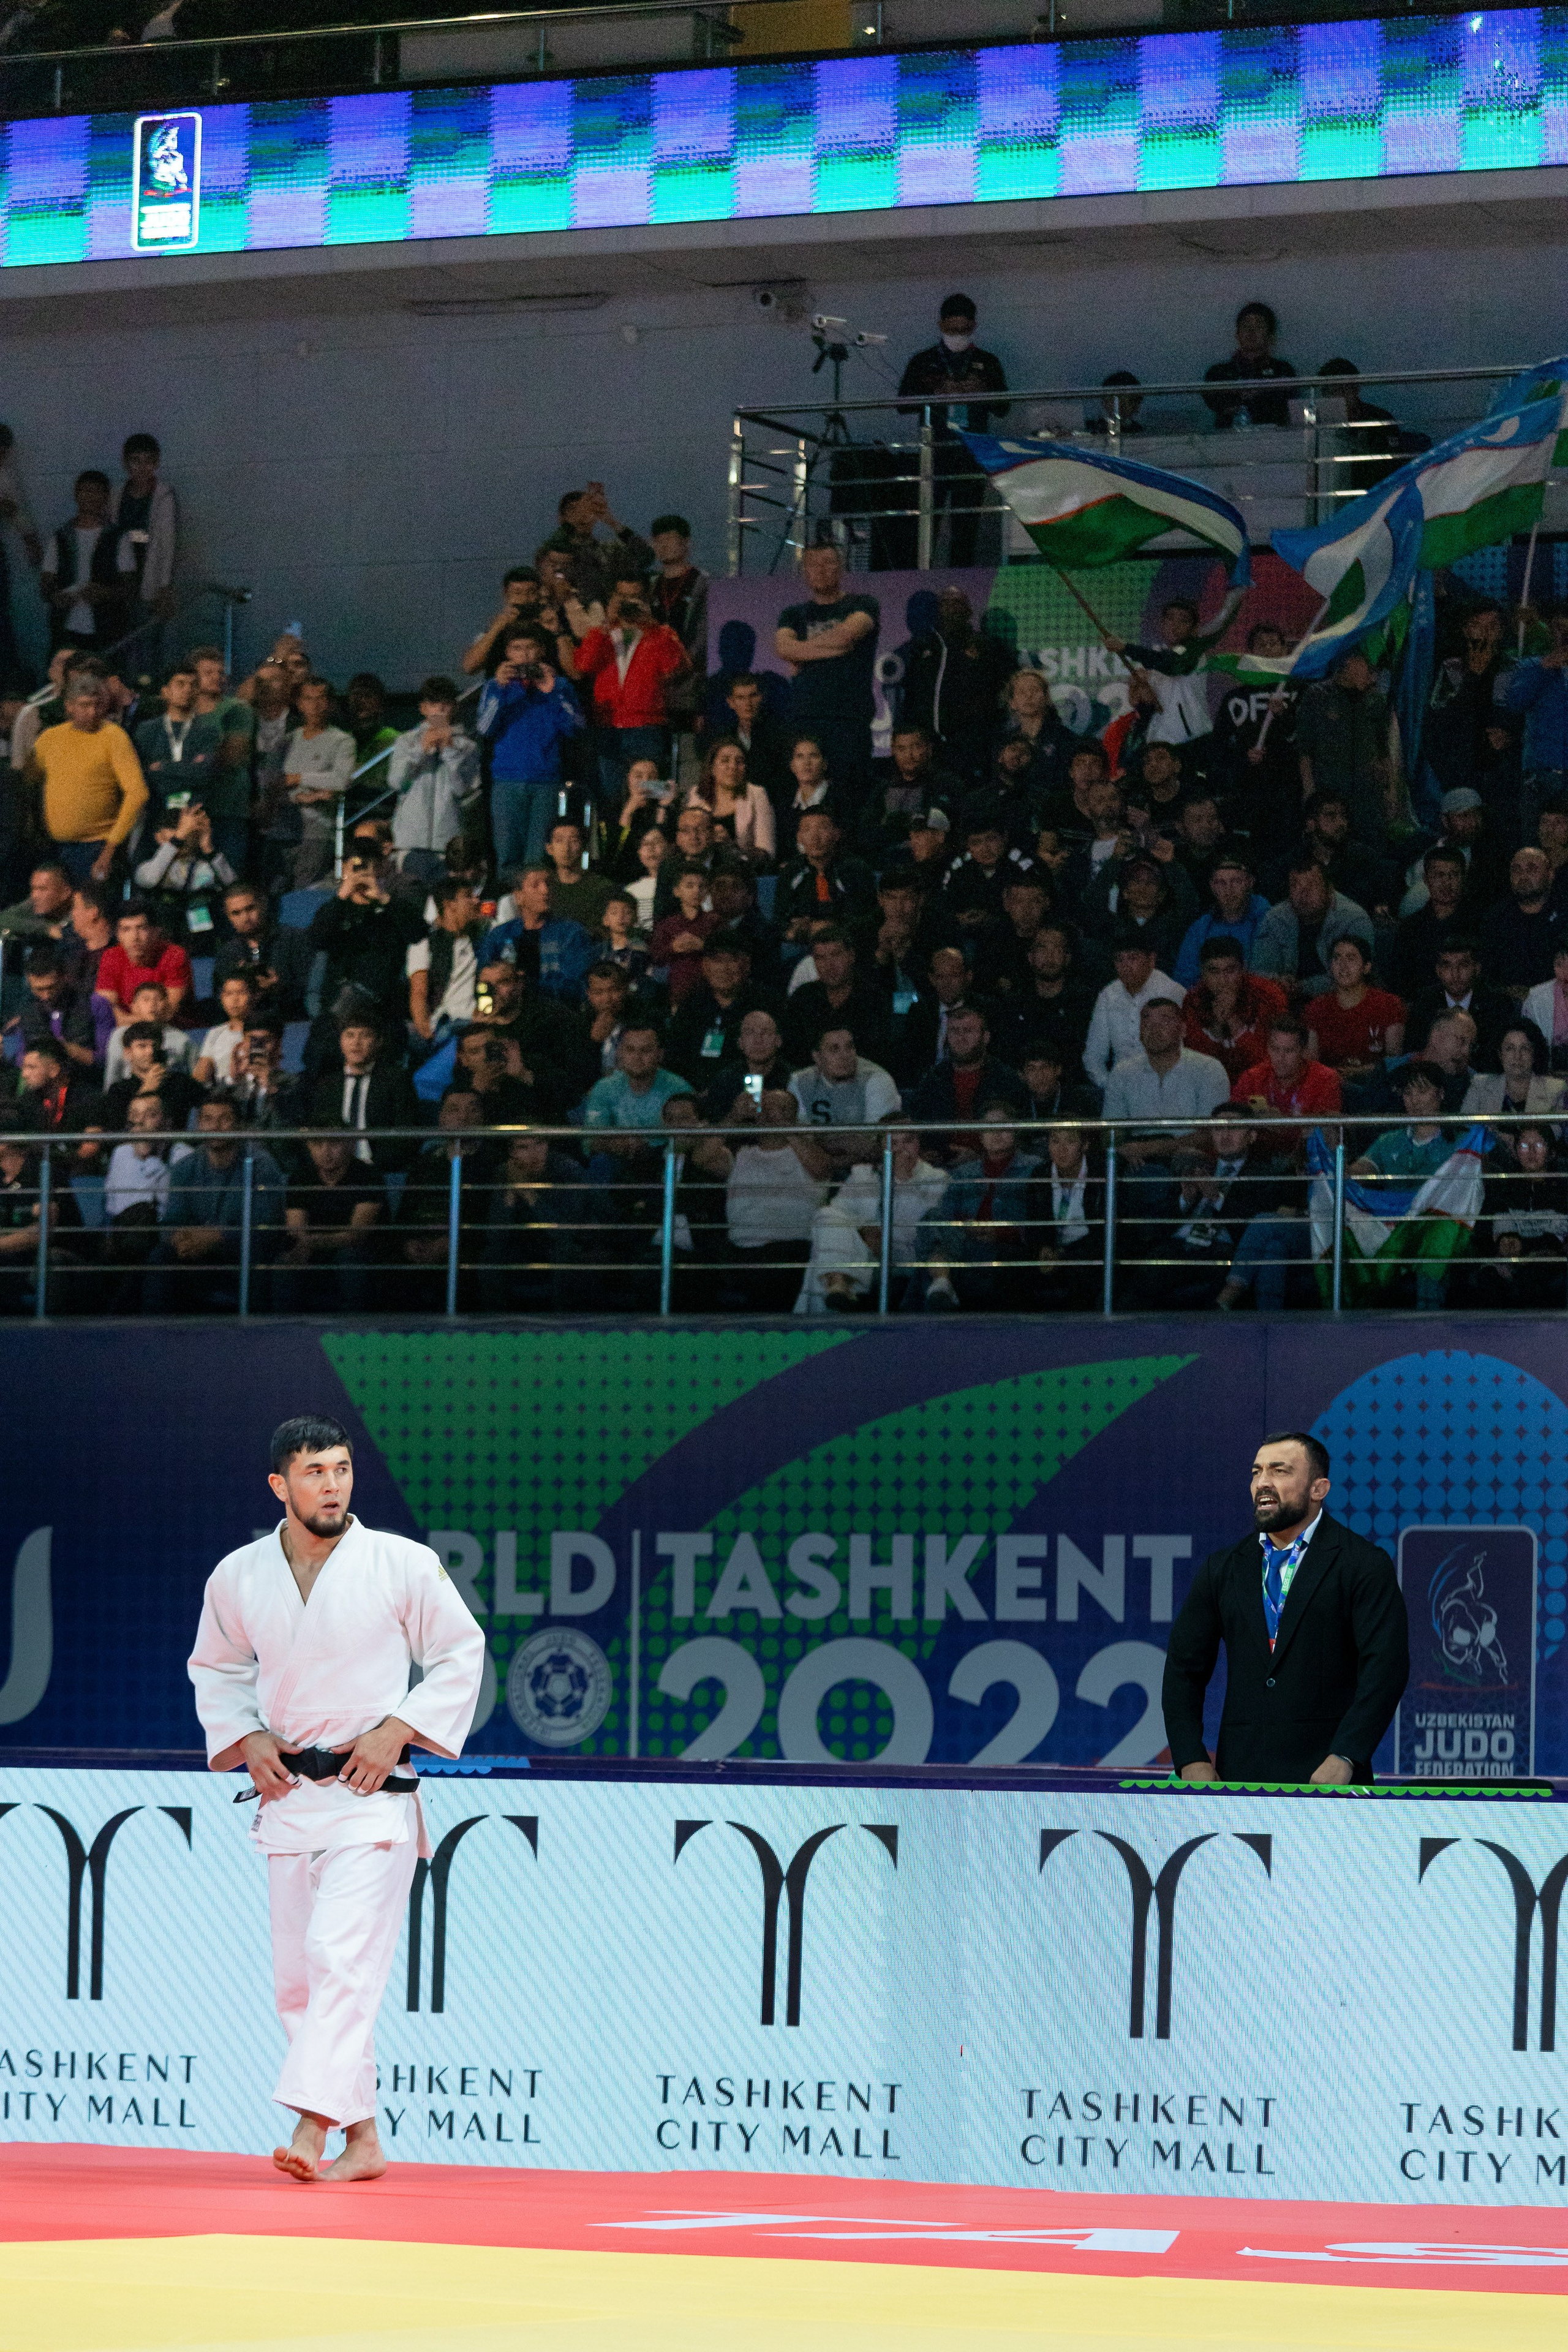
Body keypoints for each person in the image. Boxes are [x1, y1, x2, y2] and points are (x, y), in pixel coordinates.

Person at [187, 1415, 485, 2182]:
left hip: (372, 1796)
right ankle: (366, 2141)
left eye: (343, 1469)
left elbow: (460, 1652)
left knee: (340, 1961)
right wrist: (246, 1738)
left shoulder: (402, 1564)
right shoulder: (239, 1575)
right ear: (280, 1486)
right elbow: (216, 1670)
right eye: (315, 1472)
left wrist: (400, 1728)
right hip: (289, 1797)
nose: (333, 1484)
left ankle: (311, 2126)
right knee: (301, 1983)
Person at [1161, 1431, 1408, 1784]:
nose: (1263, 1483)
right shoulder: (1223, 1568)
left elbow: (1386, 1670)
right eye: (1256, 1472)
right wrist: (1190, 1759)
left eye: (1280, 1471)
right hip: (1239, 1779)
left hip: (1329, 1781)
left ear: (1318, 1489)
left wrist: (1347, 1755)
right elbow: (1183, 1670)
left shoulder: (1363, 1564)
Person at [895, 295, 1011, 564]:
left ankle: (962, 581)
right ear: (940, 325)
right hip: (934, 452)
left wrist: (981, 391)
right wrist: (934, 392)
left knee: (966, 527)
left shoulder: (987, 362)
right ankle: (922, 576)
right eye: (951, 329)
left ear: (973, 327)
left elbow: (1004, 407)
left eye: (963, 330)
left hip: (972, 453)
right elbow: (902, 404)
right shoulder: (923, 361)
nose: (957, 335)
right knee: (927, 522)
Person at [142, 1097, 286, 1310]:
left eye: (224, 1119)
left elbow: (266, 1227)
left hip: (242, 1256)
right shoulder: (185, 1167)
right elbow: (173, 1218)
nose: (215, 1126)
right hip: (196, 1257)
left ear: (238, 1124)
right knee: (161, 1256)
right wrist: (180, 1239)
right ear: (199, 1125)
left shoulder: (262, 1165)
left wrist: (217, 1236)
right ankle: (155, 1335)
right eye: (208, 1119)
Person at [796, 1120, 946, 1314]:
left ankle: (832, 1297)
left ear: (918, 1144)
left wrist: (903, 1180)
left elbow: (927, 1227)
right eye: (894, 1143)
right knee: (827, 1215)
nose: (901, 1149)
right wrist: (865, 1231)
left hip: (907, 1254)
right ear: (882, 1147)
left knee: (823, 1259)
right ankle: (838, 1283)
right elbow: (839, 1212)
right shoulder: (863, 1174)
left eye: (908, 1141)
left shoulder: (937, 1178)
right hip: (865, 1251)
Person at [910, 1102, 1042, 1312]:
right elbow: (947, 1212)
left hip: (1004, 1246)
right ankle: (942, 1284)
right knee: (932, 1217)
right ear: (980, 1135)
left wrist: (998, 1231)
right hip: (964, 1240)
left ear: (1016, 1131)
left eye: (1004, 1126)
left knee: (929, 1265)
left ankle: (940, 1285)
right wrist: (966, 1226)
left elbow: (1039, 1218)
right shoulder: (963, 1172)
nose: (996, 1133)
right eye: (989, 1127)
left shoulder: (1035, 1168)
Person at [774, 544, 879, 804]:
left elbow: (846, 636)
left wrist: (800, 652)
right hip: (805, 717)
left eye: (828, 562)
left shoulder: (863, 603)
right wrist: (831, 649)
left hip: (849, 719)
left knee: (850, 796)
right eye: (813, 564)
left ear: (841, 568)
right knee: (807, 796)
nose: (821, 570)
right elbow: (782, 647)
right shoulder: (794, 614)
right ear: (804, 572)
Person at [573, 572, 690, 804]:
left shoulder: (661, 633)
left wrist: (653, 627)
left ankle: (651, 838)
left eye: (634, 597)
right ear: (613, 598)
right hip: (607, 725)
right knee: (611, 795)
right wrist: (604, 627)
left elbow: (675, 668)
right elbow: (583, 665)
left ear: (646, 600)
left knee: (652, 794)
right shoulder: (600, 633)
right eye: (622, 597)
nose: (628, 603)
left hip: (647, 727)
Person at [477, 625, 584, 872]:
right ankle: (509, 907)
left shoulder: (560, 685)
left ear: (542, 651)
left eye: (530, 648)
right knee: (507, 855)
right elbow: (484, 729)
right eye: (517, 648)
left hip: (546, 781)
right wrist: (502, 691)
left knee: (538, 858)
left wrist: (553, 690)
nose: (524, 655)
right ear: (507, 654)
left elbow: (575, 727)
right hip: (506, 780)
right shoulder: (495, 686)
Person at [28, 671, 148, 884]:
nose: (92, 712)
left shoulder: (113, 736)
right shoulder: (50, 738)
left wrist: (111, 846)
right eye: (84, 705)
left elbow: (137, 793)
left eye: (96, 705)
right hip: (53, 845)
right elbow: (29, 782)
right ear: (69, 706)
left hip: (96, 846)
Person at [723, 1088, 832, 1309]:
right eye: (766, 1106)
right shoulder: (741, 1153)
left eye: (780, 1108)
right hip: (745, 1249)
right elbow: (702, 1157)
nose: (771, 1113)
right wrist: (734, 1117)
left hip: (794, 1249)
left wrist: (787, 1128)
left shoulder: (811, 1154)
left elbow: (822, 1169)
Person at [274, 1127, 385, 1313]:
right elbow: (296, 1229)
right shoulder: (301, 1176)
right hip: (314, 1249)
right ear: (309, 1146)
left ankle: (355, 1333)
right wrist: (305, 1244)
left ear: (349, 1144)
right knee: (286, 1261)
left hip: (357, 1250)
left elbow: (356, 1235)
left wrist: (315, 1242)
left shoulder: (368, 1175)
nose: (326, 1152)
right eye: (318, 1144)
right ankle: (285, 1332)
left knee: (350, 1258)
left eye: (334, 1143)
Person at [1294, 649, 1396, 847]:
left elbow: (1383, 750)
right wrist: (1310, 792)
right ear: (1350, 665)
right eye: (1368, 668)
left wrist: (1390, 791)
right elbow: (1305, 751)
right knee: (1332, 847)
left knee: (1372, 848)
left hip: (1367, 793)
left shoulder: (1374, 701)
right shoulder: (1317, 696)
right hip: (1330, 790)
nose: (1372, 676)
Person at [40, 469, 137, 652]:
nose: (91, 497)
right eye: (86, 491)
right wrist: (57, 597)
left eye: (97, 492)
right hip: (65, 630)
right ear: (76, 494)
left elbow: (131, 587)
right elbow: (45, 585)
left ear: (106, 497)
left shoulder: (118, 537)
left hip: (107, 628)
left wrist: (105, 593)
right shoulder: (61, 537)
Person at [1250, 858, 1374, 997]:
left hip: (1340, 999)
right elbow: (1259, 970)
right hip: (1285, 998)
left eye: (1312, 885)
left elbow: (1358, 974)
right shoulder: (1276, 918)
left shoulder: (1354, 919)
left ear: (1330, 890)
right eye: (1295, 886)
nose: (1303, 893)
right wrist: (1278, 981)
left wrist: (1304, 987)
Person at [387, 677, 480, 862]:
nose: (441, 709)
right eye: (434, 703)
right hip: (409, 841)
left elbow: (463, 790)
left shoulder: (467, 746)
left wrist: (449, 751)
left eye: (446, 703)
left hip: (448, 843)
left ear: (455, 707)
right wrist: (419, 751)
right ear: (423, 708)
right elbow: (396, 782)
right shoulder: (406, 741)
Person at [281, 677, 356, 889]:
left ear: (331, 703)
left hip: (317, 830)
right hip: (283, 828)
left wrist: (297, 779)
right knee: (273, 891)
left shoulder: (342, 741)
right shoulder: (287, 740)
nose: (315, 705)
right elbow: (274, 781)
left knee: (304, 892)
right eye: (308, 699)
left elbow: (341, 780)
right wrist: (305, 795)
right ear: (299, 703)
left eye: (321, 699)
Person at [1082, 935, 1184, 1090]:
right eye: (1119, 960)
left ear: (1151, 960)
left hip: (1167, 1085)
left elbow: (1182, 1053)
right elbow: (1093, 1057)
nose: (1126, 966)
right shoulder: (1109, 995)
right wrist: (1111, 1087)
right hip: (1120, 1085)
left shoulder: (1172, 992)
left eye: (1133, 958)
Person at [1182, 939, 1288, 1087]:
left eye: (1230, 971)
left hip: (1262, 1086)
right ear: (1202, 973)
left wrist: (1233, 1021)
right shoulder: (1194, 1001)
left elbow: (1273, 1062)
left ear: (1243, 968)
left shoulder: (1268, 996)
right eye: (1214, 972)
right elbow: (1196, 1064)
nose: (1222, 981)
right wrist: (1217, 1028)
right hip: (1212, 1086)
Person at [1305, 936, 1405, 1082]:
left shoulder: (1389, 1005)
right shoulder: (1317, 1007)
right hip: (1329, 1083)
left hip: (1374, 1084)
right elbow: (1311, 1059)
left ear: (1367, 967)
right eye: (1337, 958)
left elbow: (1394, 1060)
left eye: (1351, 958)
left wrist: (1358, 1072)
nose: (1343, 965)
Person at [1202, 300, 1298, 430]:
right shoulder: (1218, 373)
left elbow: (1282, 404)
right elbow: (1218, 402)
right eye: (1246, 326)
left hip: (1273, 440)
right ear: (1237, 334)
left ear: (1271, 337)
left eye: (1258, 326)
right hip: (1227, 441)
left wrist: (1244, 397)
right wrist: (1261, 395)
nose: (1251, 331)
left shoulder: (1283, 370)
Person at [1230, 1014, 1343, 1123]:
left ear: (1303, 1052)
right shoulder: (1252, 1078)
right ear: (1268, 1048)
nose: (1280, 1058)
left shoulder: (1325, 1079)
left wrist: (1283, 1121)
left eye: (1289, 1051)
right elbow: (1231, 1118)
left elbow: (1326, 1128)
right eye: (1275, 1049)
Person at [687, 737, 775, 865]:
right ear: (712, 767)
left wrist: (732, 847)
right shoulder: (696, 794)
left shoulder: (757, 794)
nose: (733, 767)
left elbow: (767, 852)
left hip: (741, 871)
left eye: (739, 762)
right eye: (725, 761)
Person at [1461, 1019, 1566, 1125]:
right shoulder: (1480, 1085)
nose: (1517, 1056)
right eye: (1510, 1049)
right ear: (1500, 1054)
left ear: (1535, 1053)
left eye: (1525, 1048)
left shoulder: (1556, 1089)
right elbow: (1466, 1129)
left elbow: (1555, 1134)